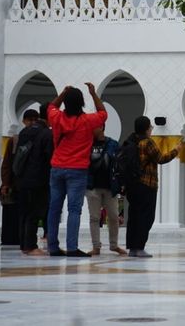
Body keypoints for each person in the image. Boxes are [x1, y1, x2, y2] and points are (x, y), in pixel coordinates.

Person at [47, 84, 107, 257]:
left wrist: (63, 93)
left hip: (57, 168)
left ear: (65, 102)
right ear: (81, 102)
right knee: (74, 209)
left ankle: (53, 247)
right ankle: (72, 247)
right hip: (77, 170)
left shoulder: (56, 118)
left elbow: (51, 106)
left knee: (54, 208)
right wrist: (94, 94)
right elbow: (103, 114)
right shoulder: (88, 121)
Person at [125, 116, 181, 257]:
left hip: (133, 185)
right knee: (146, 217)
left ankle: (132, 248)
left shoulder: (131, 142)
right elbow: (161, 159)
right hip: (146, 185)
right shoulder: (147, 143)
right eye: (150, 127)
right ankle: (139, 247)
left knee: (134, 216)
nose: (151, 130)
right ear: (146, 129)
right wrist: (176, 150)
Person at [15, 108, 53, 255]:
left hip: (22, 177)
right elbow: (49, 156)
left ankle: (24, 245)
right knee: (35, 211)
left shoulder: (25, 131)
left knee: (24, 212)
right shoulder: (46, 133)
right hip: (39, 178)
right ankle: (31, 246)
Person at [86, 126, 126, 255]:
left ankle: (114, 245)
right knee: (94, 217)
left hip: (110, 187)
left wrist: (121, 182)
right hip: (93, 186)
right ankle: (96, 246)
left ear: (101, 127)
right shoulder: (87, 144)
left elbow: (120, 163)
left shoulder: (112, 144)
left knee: (114, 216)